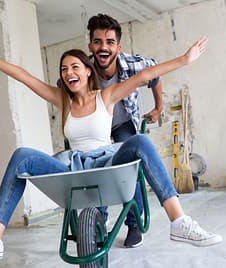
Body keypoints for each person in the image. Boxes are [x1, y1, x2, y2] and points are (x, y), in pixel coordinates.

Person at [0, 36, 222, 260]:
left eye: (75, 66)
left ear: (88, 72)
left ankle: (179, 221)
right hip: (73, 168)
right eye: (64, 69)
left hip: (107, 165)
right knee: (22, 156)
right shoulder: (62, 101)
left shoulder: (107, 96)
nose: (68, 72)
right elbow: (24, 77)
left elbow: (145, 75)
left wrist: (184, 60)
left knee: (139, 141)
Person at [85, 13, 163, 248]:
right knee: (94, 169)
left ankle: (134, 224)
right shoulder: (83, 69)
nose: (103, 47)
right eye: (98, 42)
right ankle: (99, 221)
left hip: (123, 124)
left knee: (129, 169)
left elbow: (155, 74)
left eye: (109, 42)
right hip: (95, 128)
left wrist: (158, 107)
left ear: (118, 46)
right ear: (90, 46)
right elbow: (63, 85)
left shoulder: (132, 64)